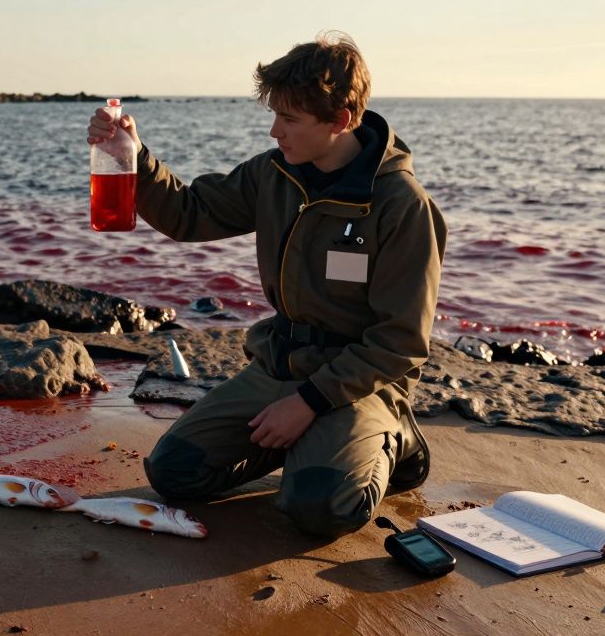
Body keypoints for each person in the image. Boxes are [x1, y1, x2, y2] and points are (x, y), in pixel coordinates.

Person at [86, 32, 447, 538]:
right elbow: (190, 215)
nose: (275, 130)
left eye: (290, 119)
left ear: (341, 120)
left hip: (361, 382)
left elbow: (401, 342)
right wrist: (135, 156)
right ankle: (316, 449)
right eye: (274, 115)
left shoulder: (401, 205)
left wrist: (308, 405)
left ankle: (396, 440)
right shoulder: (273, 174)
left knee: (318, 509)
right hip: (280, 364)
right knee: (176, 473)